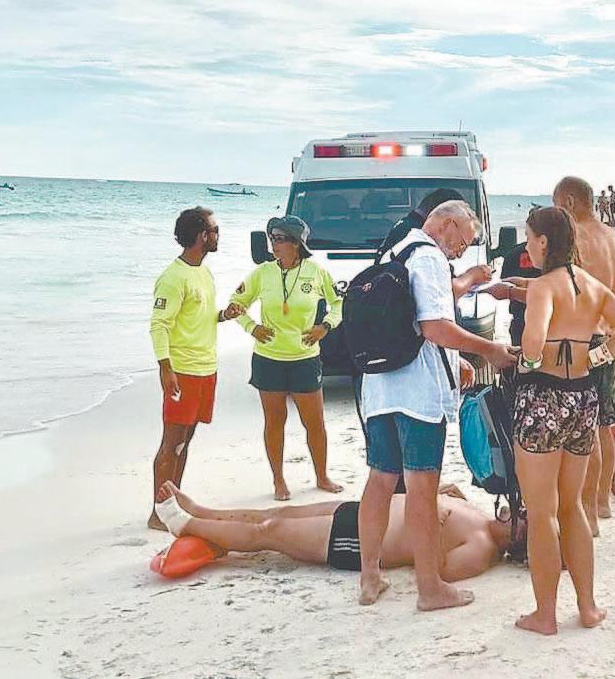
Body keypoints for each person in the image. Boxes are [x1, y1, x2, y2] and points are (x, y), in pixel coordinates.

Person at [356, 200, 516, 611]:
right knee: (422, 489)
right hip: (417, 394)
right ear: (446, 224)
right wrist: (489, 350)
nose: (463, 249)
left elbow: (408, 324)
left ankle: (370, 576)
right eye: (465, 240)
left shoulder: (394, 248)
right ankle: (430, 588)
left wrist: (455, 359)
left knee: (380, 480)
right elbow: (434, 327)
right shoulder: (428, 257)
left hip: (379, 386)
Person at [511, 206, 615, 636]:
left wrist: (528, 360)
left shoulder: (543, 288)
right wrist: (594, 356)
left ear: (543, 241)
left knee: (542, 513)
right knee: (572, 506)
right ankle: (587, 606)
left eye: (529, 237)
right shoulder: (590, 284)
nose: (527, 245)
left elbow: (533, 342)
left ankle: (545, 615)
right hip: (584, 397)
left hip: (543, 398)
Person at [488, 177, 615, 534]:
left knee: (588, 435)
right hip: (607, 339)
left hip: (578, 343)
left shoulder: (577, 237)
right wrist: (518, 288)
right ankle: (601, 502)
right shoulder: (610, 236)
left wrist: (530, 357)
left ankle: (586, 512)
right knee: (604, 425)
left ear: (568, 201)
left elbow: (563, 292)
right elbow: (580, 289)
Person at [153, 481, 525, 580]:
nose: (520, 510)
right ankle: (203, 513)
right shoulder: (479, 513)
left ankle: (185, 524)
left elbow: (439, 570)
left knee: (271, 530)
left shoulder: (481, 548)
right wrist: (439, 494)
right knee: (279, 513)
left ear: (520, 538)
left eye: (525, 518)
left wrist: (433, 523)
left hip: (359, 541)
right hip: (364, 512)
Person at [230, 216, 344, 501]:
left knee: (314, 423)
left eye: (280, 239)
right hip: (268, 359)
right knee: (274, 422)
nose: (274, 244)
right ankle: (278, 480)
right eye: (272, 238)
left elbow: (340, 303)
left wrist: (325, 326)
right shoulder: (262, 273)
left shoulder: (316, 272)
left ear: (296, 243)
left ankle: (322, 476)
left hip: (305, 359)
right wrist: (251, 327)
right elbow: (235, 304)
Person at [148, 207, 233, 530]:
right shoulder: (173, 277)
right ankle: (158, 513)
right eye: (214, 230)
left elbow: (201, 317)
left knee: (186, 440)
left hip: (205, 367)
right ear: (201, 236)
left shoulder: (204, 273)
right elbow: (159, 325)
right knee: (172, 443)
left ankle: (175, 503)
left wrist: (224, 315)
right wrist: (165, 368)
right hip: (183, 370)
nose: (218, 235)